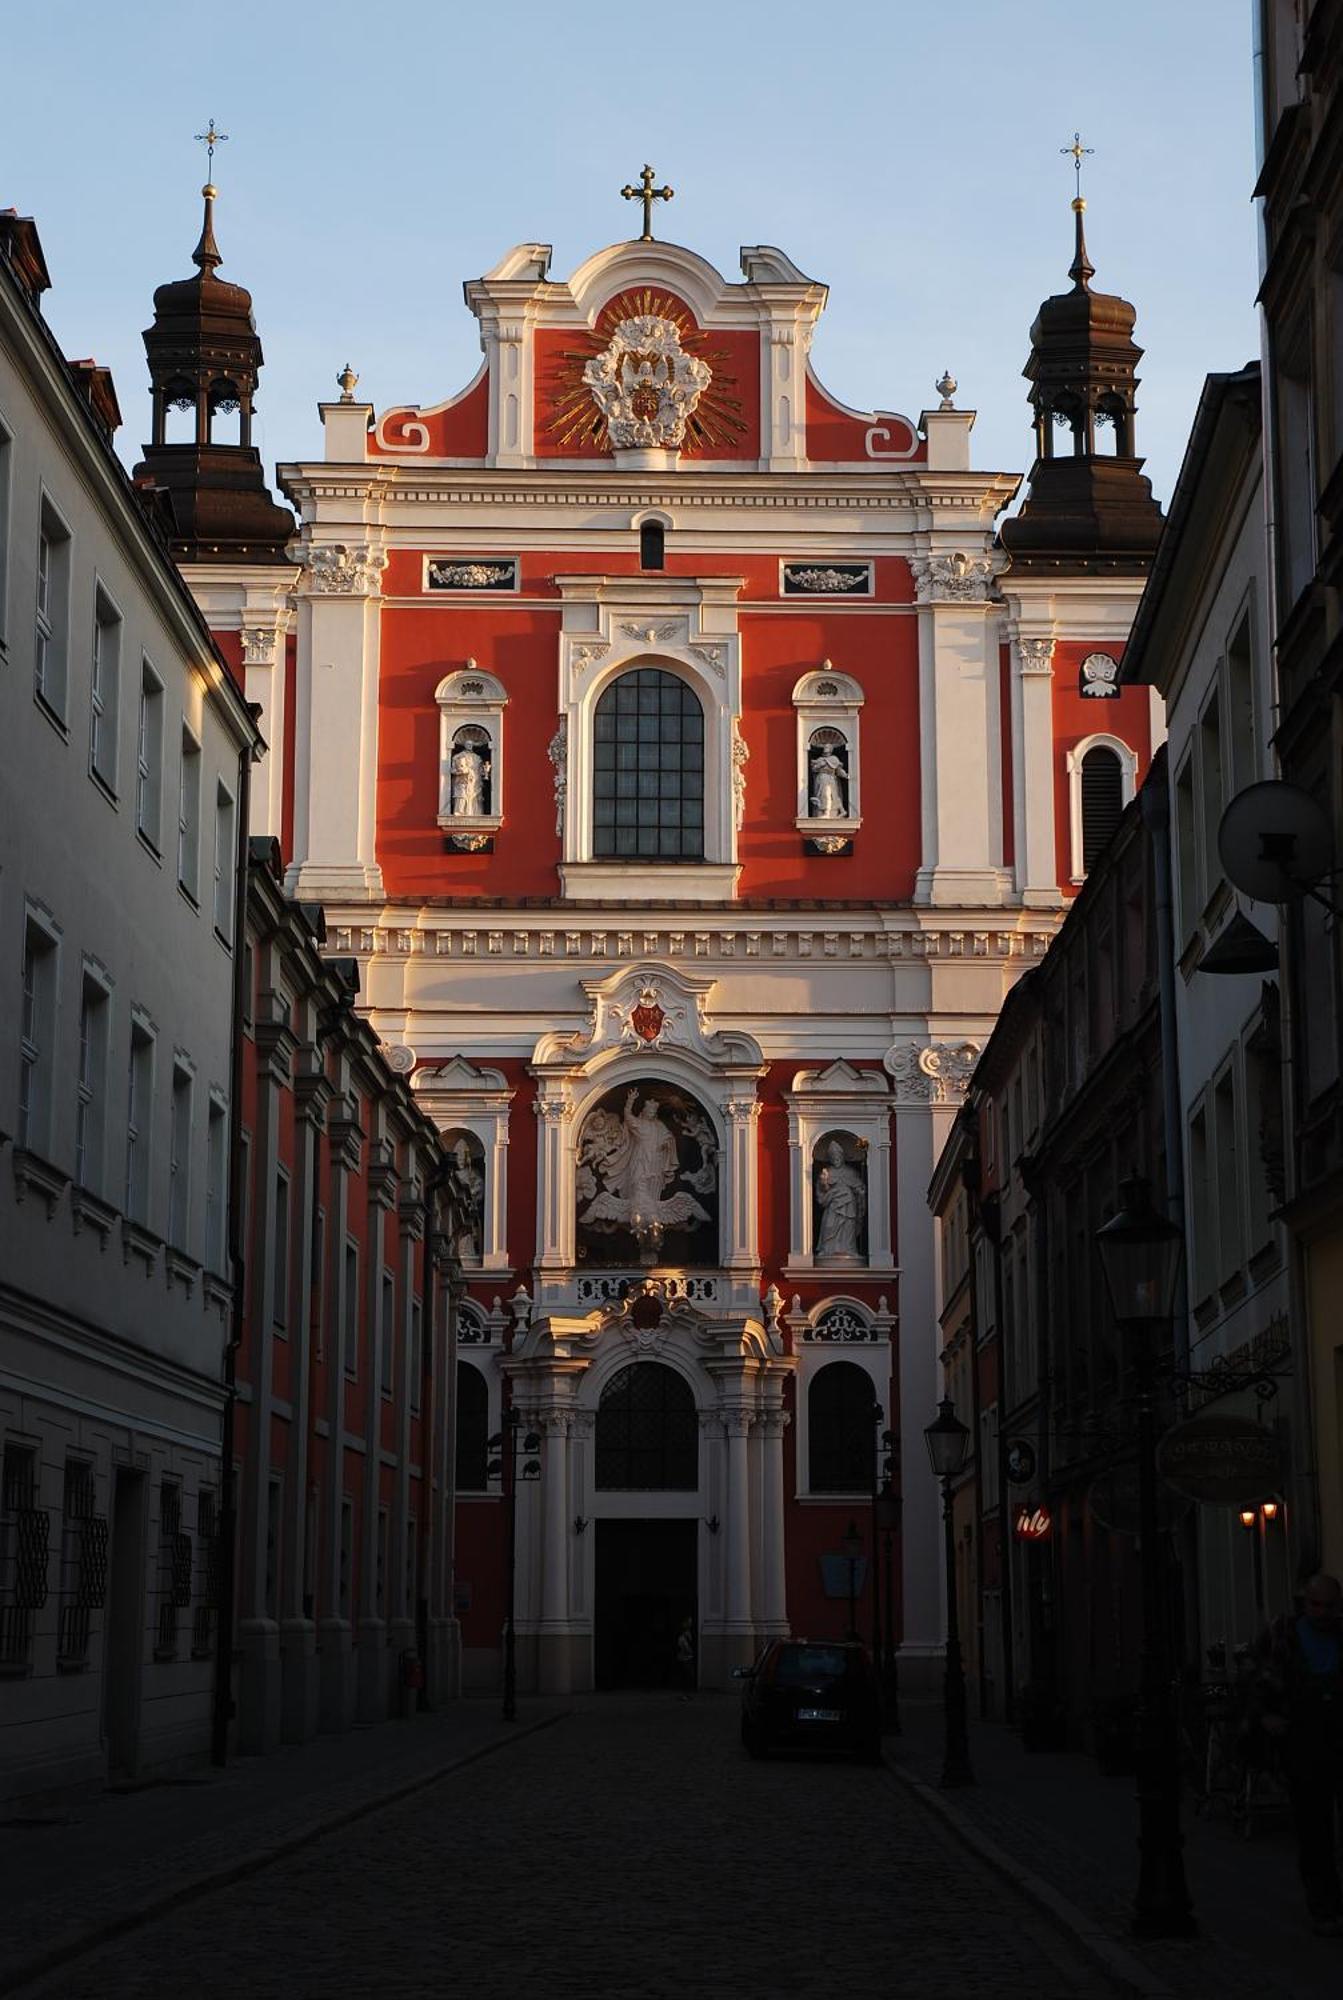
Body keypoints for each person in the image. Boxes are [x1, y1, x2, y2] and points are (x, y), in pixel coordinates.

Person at [1254, 1573, 1343, 1935]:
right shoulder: (1285, 1636)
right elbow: (1260, 1676)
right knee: (1313, 1827)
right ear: (1305, 1603)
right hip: (1303, 1740)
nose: (1322, 1612)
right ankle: (1324, 1906)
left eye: (1329, 1606)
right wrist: (1267, 1715)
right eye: (1315, 1605)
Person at [675, 1617, 695, 1698]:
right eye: (689, 1621)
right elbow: (684, 1647)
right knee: (686, 1676)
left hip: (688, 1658)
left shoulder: (688, 1633)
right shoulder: (682, 1637)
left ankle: (687, 1694)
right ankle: (684, 1694)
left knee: (689, 1676)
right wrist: (689, 1651)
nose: (690, 1623)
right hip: (684, 1658)